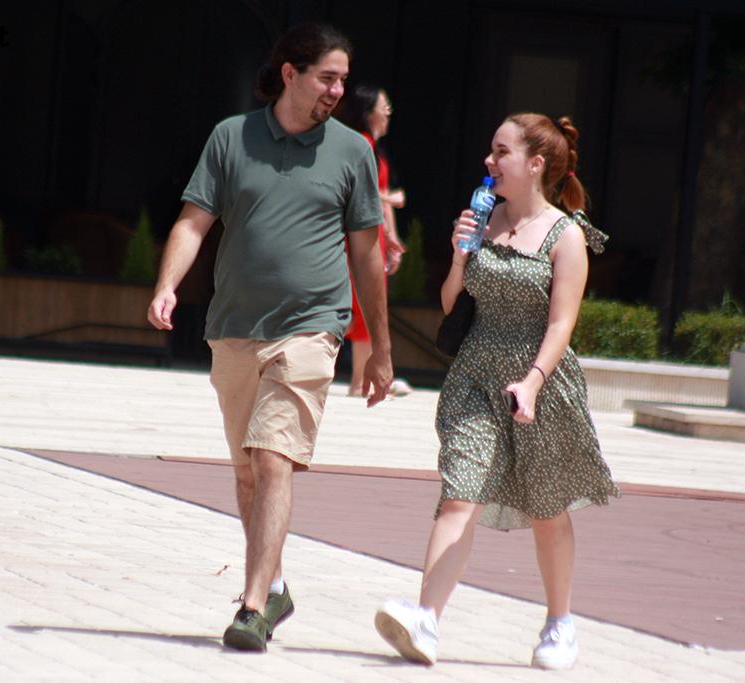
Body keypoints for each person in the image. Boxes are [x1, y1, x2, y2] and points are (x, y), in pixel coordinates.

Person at [146, 22, 393, 653]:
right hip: (234, 327)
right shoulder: (231, 137)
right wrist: (168, 284)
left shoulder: (353, 152)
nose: (338, 90)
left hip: (312, 326)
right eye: (327, 78)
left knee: (273, 458)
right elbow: (194, 221)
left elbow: (367, 254)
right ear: (290, 73)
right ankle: (276, 586)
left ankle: (252, 607)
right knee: (248, 473)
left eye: (343, 80)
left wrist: (380, 350)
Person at [374, 113, 621, 670]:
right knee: (459, 493)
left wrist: (531, 383)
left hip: (540, 383)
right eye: (491, 150)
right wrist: (460, 254)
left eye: (501, 152)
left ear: (535, 164)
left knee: (547, 508)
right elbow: (451, 305)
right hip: (475, 377)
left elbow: (561, 325)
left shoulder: (566, 236)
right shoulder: (482, 220)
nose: (489, 161)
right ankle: (426, 620)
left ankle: (559, 624)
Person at [338, 84, 410, 397]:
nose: (389, 111)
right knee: (362, 301)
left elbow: (380, 198)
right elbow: (356, 190)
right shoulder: (360, 145)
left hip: (374, 231)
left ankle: (363, 379)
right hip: (358, 232)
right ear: (369, 113)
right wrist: (390, 198)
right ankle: (359, 380)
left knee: (369, 301)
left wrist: (392, 239)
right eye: (385, 106)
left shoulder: (375, 149)